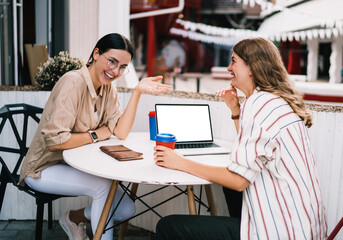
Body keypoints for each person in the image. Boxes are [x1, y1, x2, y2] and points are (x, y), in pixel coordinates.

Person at [154, 37, 327, 239]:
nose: (228, 68)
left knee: (168, 226)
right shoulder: (273, 101)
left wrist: (180, 162)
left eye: (234, 61)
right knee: (229, 190)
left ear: (252, 67)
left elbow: (238, 180)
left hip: (280, 231)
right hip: (303, 225)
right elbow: (256, 152)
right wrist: (236, 110)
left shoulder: (259, 104)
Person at [18, 33, 171, 240]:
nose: (116, 71)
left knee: (126, 209)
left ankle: (73, 218)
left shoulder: (109, 89)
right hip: (42, 168)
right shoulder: (73, 82)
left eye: (123, 67)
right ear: (96, 54)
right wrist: (96, 135)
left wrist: (137, 93)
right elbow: (56, 142)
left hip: (71, 164)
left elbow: (120, 132)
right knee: (102, 187)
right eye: (112, 61)